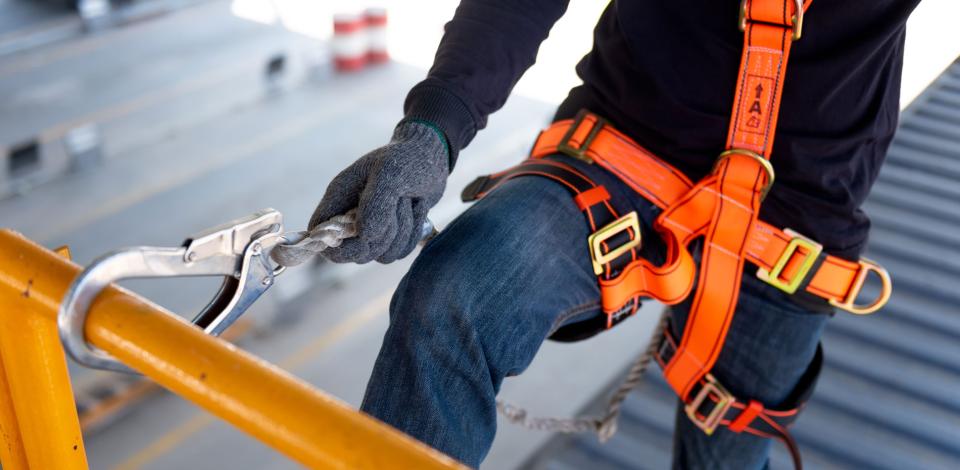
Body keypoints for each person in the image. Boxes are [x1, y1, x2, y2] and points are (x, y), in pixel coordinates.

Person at [308, 0, 917, 467]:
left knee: (729, 451)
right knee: (452, 296)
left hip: (795, 220)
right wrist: (433, 129)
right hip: (623, 149)